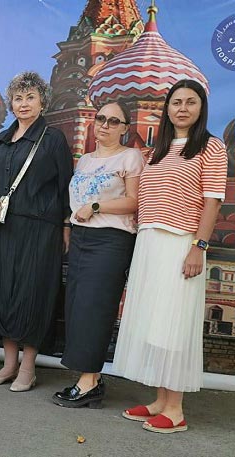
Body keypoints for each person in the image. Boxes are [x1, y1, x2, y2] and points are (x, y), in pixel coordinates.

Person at [112, 79, 227, 433]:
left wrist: (200, 246)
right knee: (154, 322)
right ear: (167, 108)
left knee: (174, 322)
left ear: (201, 108)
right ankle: (161, 399)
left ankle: (175, 409)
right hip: (150, 241)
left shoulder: (211, 147)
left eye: (190, 102)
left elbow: (213, 201)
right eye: (176, 102)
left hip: (183, 243)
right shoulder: (156, 151)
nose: (182, 108)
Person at [0, 71, 72, 391]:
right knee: (3, 293)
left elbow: (65, 187)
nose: (23, 104)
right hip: (2, 229)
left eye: (30, 97)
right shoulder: (3, 139)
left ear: (43, 102)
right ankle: (8, 365)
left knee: (31, 294)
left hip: (38, 229)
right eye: (18, 98)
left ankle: (28, 368)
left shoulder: (53, 139)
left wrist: (64, 225)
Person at [51, 101, 143, 408]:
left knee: (95, 308)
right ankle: (89, 377)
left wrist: (96, 207)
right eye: (101, 118)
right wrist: (69, 225)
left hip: (111, 240)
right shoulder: (85, 160)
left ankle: (88, 381)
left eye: (113, 121)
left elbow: (133, 201)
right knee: (76, 306)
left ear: (124, 128)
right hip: (81, 238)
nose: (104, 125)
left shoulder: (130, 156)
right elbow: (74, 201)